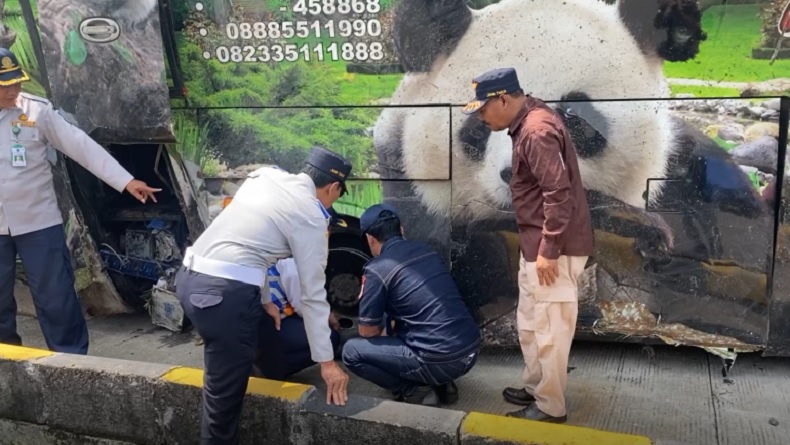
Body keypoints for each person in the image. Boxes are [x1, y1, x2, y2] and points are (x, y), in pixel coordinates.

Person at [174, 146, 352, 445]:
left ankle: (253, 369)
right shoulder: (311, 215)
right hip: (224, 296)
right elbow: (312, 295)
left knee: (256, 341)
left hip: (190, 279)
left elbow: (253, 248)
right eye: (338, 194)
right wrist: (328, 363)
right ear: (333, 187)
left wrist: (266, 299)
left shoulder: (265, 177)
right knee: (223, 406)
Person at [0, 47, 160, 355]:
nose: (13, 89)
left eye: (15, 81)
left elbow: (81, 147)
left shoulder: (36, 111)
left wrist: (125, 181)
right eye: (4, 84)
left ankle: (71, 359)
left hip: (38, 223)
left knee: (55, 297)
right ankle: (6, 360)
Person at [462, 67, 594, 423]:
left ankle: (551, 407)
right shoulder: (529, 118)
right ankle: (537, 388)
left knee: (550, 328)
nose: (480, 116)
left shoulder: (535, 131)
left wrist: (549, 251)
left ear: (503, 99)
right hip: (536, 244)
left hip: (554, 249)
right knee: (532, 321)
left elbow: (558, 194)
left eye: (483, 108)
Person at [341, 203, 481, 407]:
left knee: (351, 351)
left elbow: (367, 331)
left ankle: (412, 391)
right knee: (414, 323)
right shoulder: (427, 251)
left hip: (440, 360)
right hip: (470, 350)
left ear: (370, 239)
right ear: (401, 230)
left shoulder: (377, 269)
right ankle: (443, 385)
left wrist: (383, 335)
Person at [253, 210, 345, 380]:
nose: (329, 234)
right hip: (269, 323)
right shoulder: (295, 259)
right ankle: (271, 369)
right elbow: (304, 304)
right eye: (328, 229)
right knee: (330, 338)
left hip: (258, 319)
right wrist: (327, 318)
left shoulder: (284, 242)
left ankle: (264, 360)